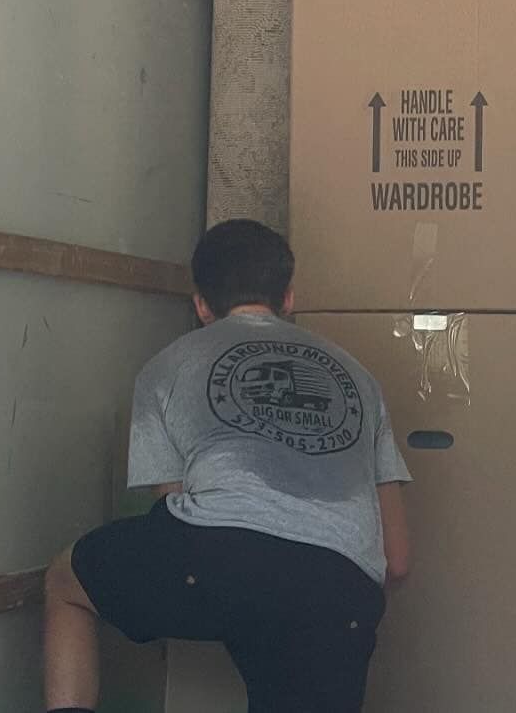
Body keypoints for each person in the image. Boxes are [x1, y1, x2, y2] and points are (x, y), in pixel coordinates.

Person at [42, 219, 411, 713]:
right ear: (289, 298)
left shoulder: (166, 366)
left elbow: (174, 506)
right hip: (336, 591)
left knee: (66, 584)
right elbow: (399, 557)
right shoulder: (359, 378)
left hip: (212, 561)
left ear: (200, 305)